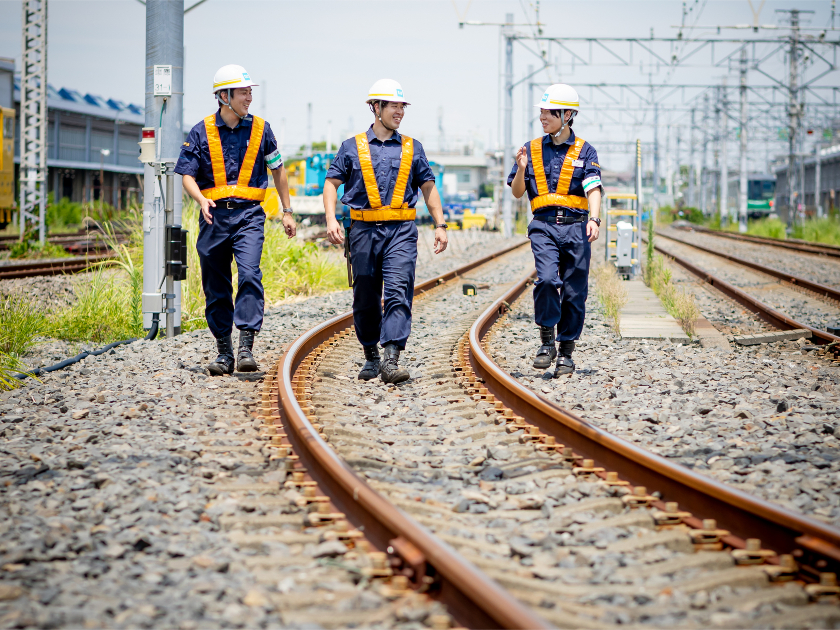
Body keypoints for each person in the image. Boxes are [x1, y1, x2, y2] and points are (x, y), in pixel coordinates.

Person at [323, 79, 449, 384]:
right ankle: (371, 356)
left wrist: (440, 224)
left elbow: (428, 187)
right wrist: (331, 219)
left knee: (397, 292)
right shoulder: (350, 147)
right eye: (394, 106)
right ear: (375, 107)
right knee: (365, 296)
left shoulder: (412, 148)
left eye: (402, 106)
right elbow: (331, 183)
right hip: (363, 230)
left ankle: (392, 359)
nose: (400, 112)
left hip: (401, 231)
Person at [176, 64, 296, 375]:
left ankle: (245, 346)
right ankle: (224, 352)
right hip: (213, 216)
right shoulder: (200, 131)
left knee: (250, 274)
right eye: (244, 92)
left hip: (249, 217)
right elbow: (187, 175)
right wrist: (201, 199)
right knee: (216, 285)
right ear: (224, 96)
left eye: (250, 91)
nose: (250, 97)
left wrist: (287, 210)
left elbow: (278, 170)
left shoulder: (261, 129)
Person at [508, 84, 602, 378]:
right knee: (547, 280)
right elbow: (516, 192)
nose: (543, 116)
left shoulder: (585, 151)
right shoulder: (531, 149)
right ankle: (547, 341)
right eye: (542, 111)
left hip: (576, 227)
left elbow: (594, 189)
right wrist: (521, 168)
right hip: (544, 226)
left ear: (567, 115)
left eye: (549, 112)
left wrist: (594, 219)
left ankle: (566, 353)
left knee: (575, 293)